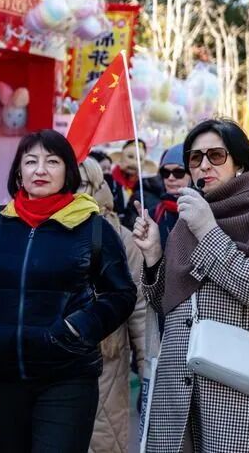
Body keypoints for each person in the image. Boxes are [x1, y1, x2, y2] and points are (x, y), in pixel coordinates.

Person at [0, 129, 136, 453]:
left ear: (68, 171)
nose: (40, 170)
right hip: (4, 375)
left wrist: (75, 329)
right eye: (31, 161)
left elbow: (121, 294)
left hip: (67, 377)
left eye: (52, 161)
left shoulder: (91, 226)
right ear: (19, 171)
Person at [133, 119, 249, 452]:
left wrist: (208, 231)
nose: (204, 165)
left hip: (236, 392)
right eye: (195, 158)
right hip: (177, 389)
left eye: (216, 155)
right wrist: (153, 255)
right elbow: (164, 302)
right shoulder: (189, 217)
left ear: (240, 163)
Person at [79, 158, 146, 453]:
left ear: (97, 185)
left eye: (81, 184)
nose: (74, 191)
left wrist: (148, 368)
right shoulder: (40, 230)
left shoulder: (120, 236)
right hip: (51, 361)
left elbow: (140, 309)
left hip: (106, 361)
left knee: (103, 441)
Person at [110, 140, 163, 229]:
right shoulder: (109, 183)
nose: (134, 163)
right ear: (120, 158)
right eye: (130, 156)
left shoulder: (145, 188)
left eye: (139, 159)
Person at [154, 144, 191, 248]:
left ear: (192, 175)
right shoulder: (155, 213)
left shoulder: (206, 210)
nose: (170, 178)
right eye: (165, 172)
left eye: (178, 172)